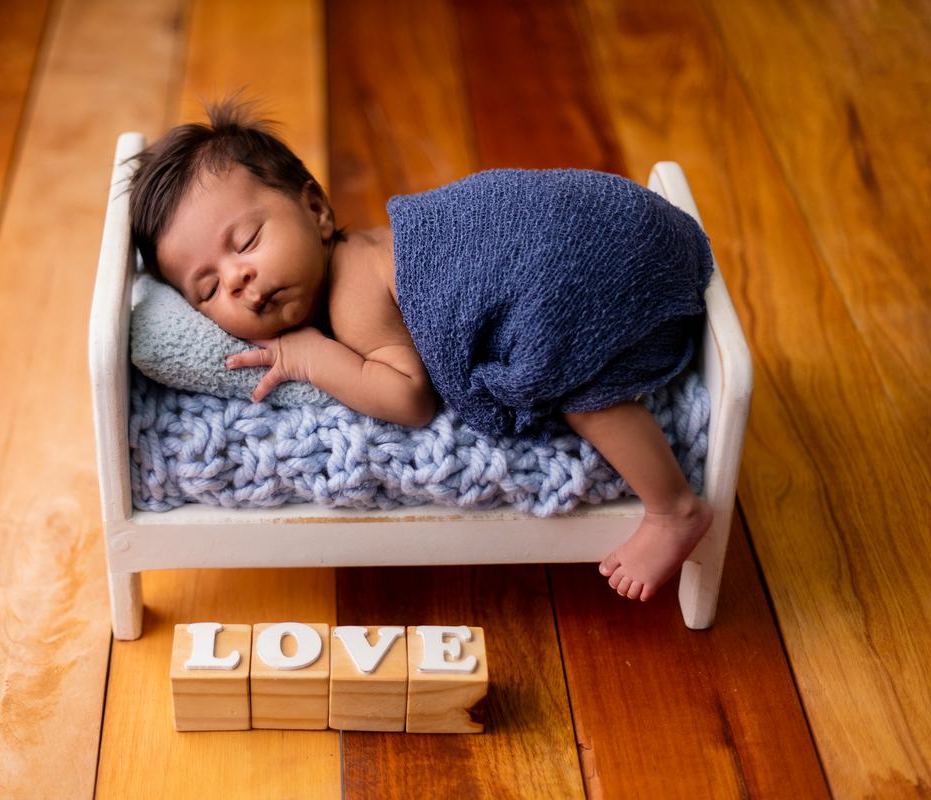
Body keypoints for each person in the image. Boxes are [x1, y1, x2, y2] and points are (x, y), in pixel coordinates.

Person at [126, 101, 714, 602]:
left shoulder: (354, 290)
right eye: (208, 289)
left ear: (317, 211)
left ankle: (673, 510)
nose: (237, 278)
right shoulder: (366, 250)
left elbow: (409, 398)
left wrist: (310, 358)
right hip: (628, 221)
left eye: (247, 241)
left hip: (581, 258)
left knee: (574, 379)